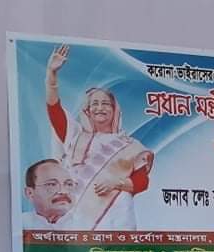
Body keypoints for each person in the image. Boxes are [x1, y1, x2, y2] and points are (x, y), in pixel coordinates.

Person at [45, 44, 154, 231]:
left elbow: (142, 182)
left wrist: (116, 183)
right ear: (87, 110)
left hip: (116, 214)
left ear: (114, 110)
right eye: (94, 104)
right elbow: (54, 109)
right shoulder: (75, 135)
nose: (100, 108)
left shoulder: (131, 146)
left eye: (105, 104)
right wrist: (51, 74)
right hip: (76, 215)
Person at [22, 158, 77, 229]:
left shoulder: (87, 225)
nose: (63, 191)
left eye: (69, 184)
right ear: (29, 193)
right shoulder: (19, 224)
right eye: (52, 184)